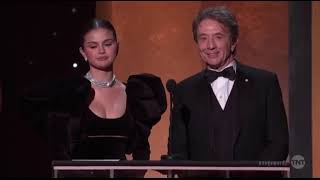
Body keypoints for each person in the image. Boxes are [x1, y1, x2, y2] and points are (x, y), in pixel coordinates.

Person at [23, 18, 167, 177]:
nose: (101, 51)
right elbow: (59, 151)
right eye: (93, 46)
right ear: (83, 52)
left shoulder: (135, 93)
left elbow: (141, 151)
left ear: (117, 47)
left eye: (107, 44)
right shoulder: (71, 93)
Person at [167, 6, 289, 177]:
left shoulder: (265, 83)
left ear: (233, 41)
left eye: (218, 37)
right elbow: (178, 152)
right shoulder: (183, 91)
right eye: (203, 38)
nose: (210, 46)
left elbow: (278, 143)